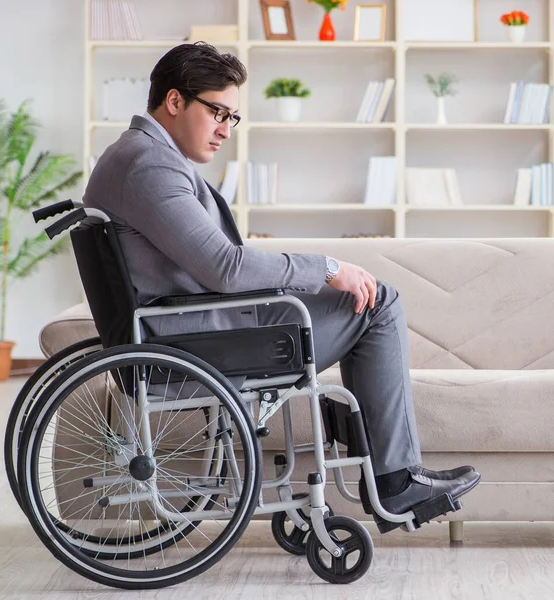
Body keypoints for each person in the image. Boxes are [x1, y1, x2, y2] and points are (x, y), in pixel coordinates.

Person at [83, 41, 481, 534]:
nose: (226, 129)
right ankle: (395, 481)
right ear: (174, 102)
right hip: (199, 339)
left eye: (234, 117)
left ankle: (390, 473)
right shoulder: (150, 165)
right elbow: (226, 267)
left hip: (189, 326)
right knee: (378, 304)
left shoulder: (135, 155)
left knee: (353, 303)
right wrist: (328, 266)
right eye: (218, 113)